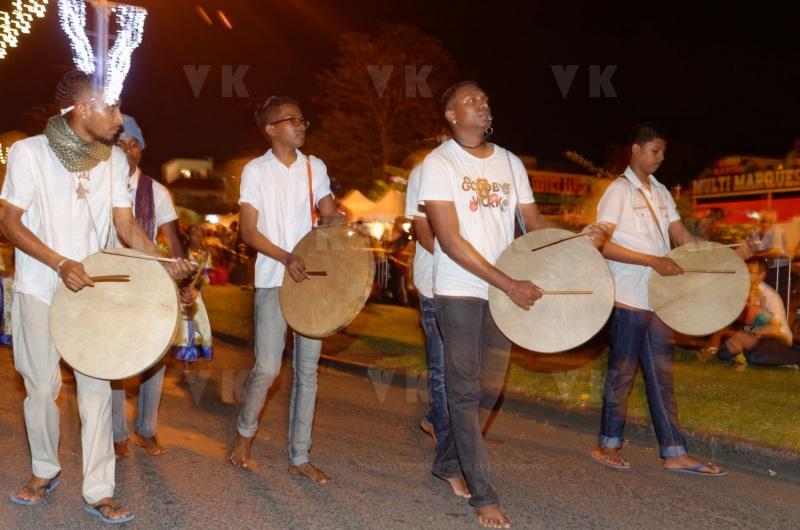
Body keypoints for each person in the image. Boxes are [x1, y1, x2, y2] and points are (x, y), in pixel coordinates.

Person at [0, 70, 193, 523]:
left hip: (95, 293)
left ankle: (99, 490)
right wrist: (60, 263)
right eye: (113, 108)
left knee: (96, 390)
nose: (121, 120)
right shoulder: (30, 153)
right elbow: (9, 222)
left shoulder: (113, 162)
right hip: (40, 287)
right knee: (40, 389)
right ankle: (44, 471)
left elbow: (126, 227)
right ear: (83, 108)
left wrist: (164, 263)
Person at [419, 81, 605, 529]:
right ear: (450, 115)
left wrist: (574, 241)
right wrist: (508, 283)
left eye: (484, 99)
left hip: (503, 290)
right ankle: (483, 495)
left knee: (488, 389)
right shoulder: (438, 162)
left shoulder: (510, 162)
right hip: (460, 289)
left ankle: (446, 462)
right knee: (464, 390)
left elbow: (533, 223)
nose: (482, 105)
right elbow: (447, 239)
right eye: (470, 101)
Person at [591, 122, 751, 476]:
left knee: (661, 375)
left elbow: (683, 239)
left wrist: (727, 255)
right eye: (655, 151)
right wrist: (651, 260)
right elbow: (602, 244)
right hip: (629, 295)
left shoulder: (661, 191)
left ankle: (674, 452)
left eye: (663, 152)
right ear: (636, 149)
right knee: (622, 373)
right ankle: (607, 444)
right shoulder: (618, 191)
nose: (661, 158)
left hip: (660, 299)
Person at [228, 96, 343, 483]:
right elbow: (248, 231)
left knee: (308, 371)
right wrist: (286, 256)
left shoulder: (316, 167)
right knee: (268, 367)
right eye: (290, 120)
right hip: (273, 277)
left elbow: (327, 210)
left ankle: (300, 456)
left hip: (311, 282)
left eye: (302, 119)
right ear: (271, 129)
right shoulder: (255, 170)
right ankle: (245, 435)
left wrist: (334, 219)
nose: (301, 125)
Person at [111, 114, 185, 461]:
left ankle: (147, 430)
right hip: (109, 282)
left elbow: (173, 241)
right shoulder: (99, 184)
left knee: (154, 359)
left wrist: (182, 279)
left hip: (150, 283)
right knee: (112, 359)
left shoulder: (156, 191)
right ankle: (115, 434)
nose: (127, 150)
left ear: (142, 148)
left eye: (133, 143)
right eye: (120, 143)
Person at [405, 162, 448, 448]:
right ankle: (445, 436)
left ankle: (436, 418)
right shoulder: (423, 172)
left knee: (469, 364)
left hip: (473, 285)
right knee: (442, 363)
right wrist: (461, 264)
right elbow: (423, 232)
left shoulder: (475, 173)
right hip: (435, 281)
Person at [714, 259, 798, 368]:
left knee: (756, 358)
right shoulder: (741, 292)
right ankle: (751, 356)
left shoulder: (770, 296)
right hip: (753, 338)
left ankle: (794, 356)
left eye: (750, 272)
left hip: (777, 338)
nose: (744, 275)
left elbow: (774, 330)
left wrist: (748, 330)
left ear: (762, 275)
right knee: (724, 353)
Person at [172, 224, 214, 381]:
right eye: (195, 234)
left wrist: (202, 278)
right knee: (184, 330)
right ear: (188, 237)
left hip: (196, 298)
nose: (198, 238)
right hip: (183, 296)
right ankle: (185, 367)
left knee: (196, 329)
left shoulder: (204, 255)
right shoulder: (181, 253)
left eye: (201, 234)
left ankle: (193, 364)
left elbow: (207, 278)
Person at [748, 209, 791, 310]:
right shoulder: (754, 232)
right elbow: (747, 248)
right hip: (764, 269)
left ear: (774, 222)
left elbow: (775, 251)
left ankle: (779, 321)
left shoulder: (777, 230)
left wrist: (754, 254)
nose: (765, 224)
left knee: (777, 298)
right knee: (763, 296)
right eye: (763, 221)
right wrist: (764, 256)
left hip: (779, 270)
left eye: (769, 222)